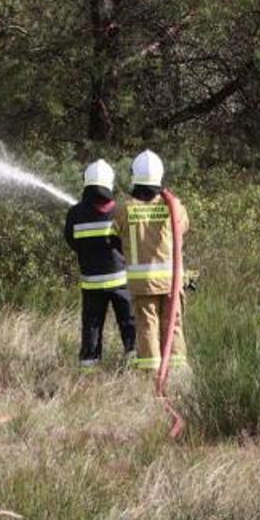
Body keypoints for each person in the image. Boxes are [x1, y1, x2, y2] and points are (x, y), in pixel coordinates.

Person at [113, 150, 190, 371]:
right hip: (171, 282)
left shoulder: (124, 208)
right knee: (174, 325)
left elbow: (113, 236)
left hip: (143, 283)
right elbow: (184, 228)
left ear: (134, 176)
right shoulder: (174, 206)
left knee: (147, 326)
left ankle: (151, 373)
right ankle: (177, 372)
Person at [65, 159, 135, 369]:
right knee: (129, 324)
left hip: (91, 283)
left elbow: (71, 241)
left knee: (92, 327)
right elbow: (127, 243)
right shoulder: (120, 211)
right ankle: (133, 363)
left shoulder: (75, 213)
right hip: (121, 282)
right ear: (109, 183)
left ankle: (88, 369)